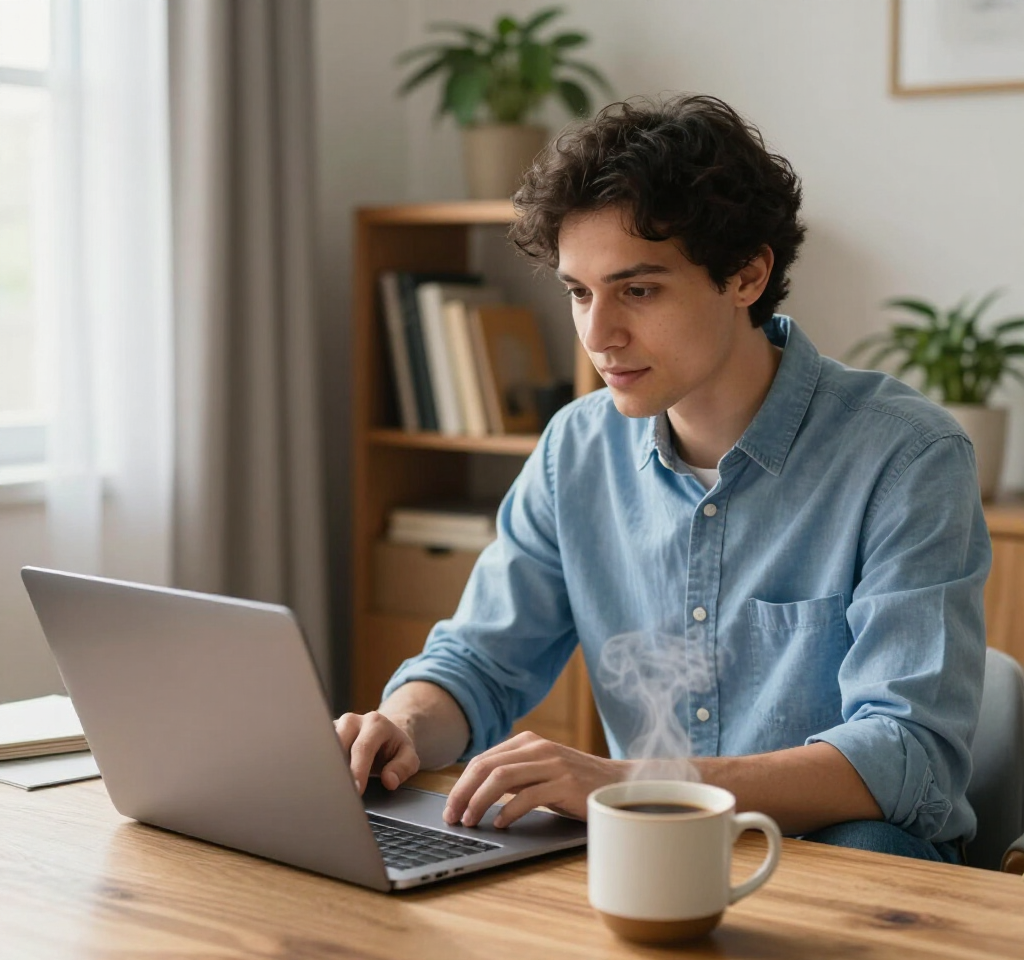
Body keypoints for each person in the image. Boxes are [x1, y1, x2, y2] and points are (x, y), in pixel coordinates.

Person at [335, 95, 990, 862]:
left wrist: (639, 782)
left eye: (637, 291)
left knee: (867, 840)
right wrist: (403, 728)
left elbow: (906, 751)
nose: (597, 335)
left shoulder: (905, 457)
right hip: (652, 860)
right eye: (580, 292)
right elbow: (479, 662)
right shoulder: (575, 449)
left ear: (746, 276)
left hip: (854, 868)